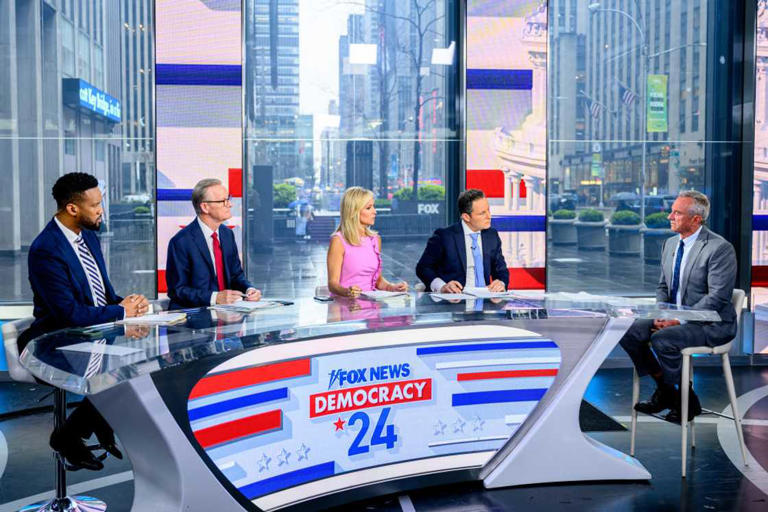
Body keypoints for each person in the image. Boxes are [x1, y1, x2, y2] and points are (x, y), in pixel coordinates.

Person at [19, 172, 150, 471]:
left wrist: (125, 304)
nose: (101, 211)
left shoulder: (88, 235)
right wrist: (121, 313)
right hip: (56, 339)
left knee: (141, 363)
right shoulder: (46, 250)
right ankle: (69, 435)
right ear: (72, 208)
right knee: (124, 372)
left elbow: (100, 292)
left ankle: (96, 423)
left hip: (90, 333)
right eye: (95, 205)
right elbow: (70, 314)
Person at [619, 190, 737, 423]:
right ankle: (671, 392)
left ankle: (679, 398)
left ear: (696, 219)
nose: (669, 217)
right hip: (674, 317)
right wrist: (663, 314)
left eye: (677, 213)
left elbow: (717, 298)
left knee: (664, 339)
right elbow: (662, 286)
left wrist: (680, 319)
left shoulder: (719, 248)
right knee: (629, 331)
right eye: (672, 211)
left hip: (710, 323)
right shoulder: (671, 244)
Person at [166, 178, 262, 310]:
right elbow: (177, 290)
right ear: (205, 207)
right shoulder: (181, 242)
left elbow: (236, 275)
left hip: (226, 315)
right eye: (223, 201)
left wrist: (249, 289)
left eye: (229, 199)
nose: (229, 205)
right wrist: (214, 298)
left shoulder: (227, 234)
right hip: (194, 319)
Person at [416, 188, 509, 293]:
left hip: (485, 300)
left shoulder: (491, 235)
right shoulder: (444, 236)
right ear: (466, 217)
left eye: (488, 210)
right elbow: (423, 268)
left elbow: (501, 271)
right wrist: (442, 286)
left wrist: (501, 283)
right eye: (482, 213)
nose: (489, 216)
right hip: (454, 300)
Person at [327, 187, 408, 298]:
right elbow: (332, 284)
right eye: (369, 208)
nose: (375, 211)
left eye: (373, 206)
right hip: (345, 305)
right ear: (354, 211)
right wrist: (347, 292)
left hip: (370, 304)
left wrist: (392, 287)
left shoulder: (375, 239)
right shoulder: (338, 241)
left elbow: (378, 281)